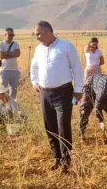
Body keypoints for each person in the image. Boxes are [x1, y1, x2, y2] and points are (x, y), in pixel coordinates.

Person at [30, 21, 83, 173]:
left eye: (38, 33)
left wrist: (78, 90)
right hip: (45, 93)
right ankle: (56, 157)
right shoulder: (38, 49)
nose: (37, 36)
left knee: (63, 126)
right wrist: (34, 82)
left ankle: (66, 160)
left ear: (48, 32)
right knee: (49, 126)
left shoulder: (66, 46)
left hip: (64, 92)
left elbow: (77, 68)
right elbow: (33, 67)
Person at [0, 27, 21, 101]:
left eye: (12, 35)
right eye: (10, 35)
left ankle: (11, 106)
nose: (11, 37)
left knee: (14, 91)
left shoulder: (16, 43)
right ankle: (3, 106)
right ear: (5, 35)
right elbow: (1, 55)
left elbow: (18, 54)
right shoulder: (0, 43)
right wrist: (12, 54)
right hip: (4, 70)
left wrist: (6, 54)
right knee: (2, 90)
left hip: (14, 70)